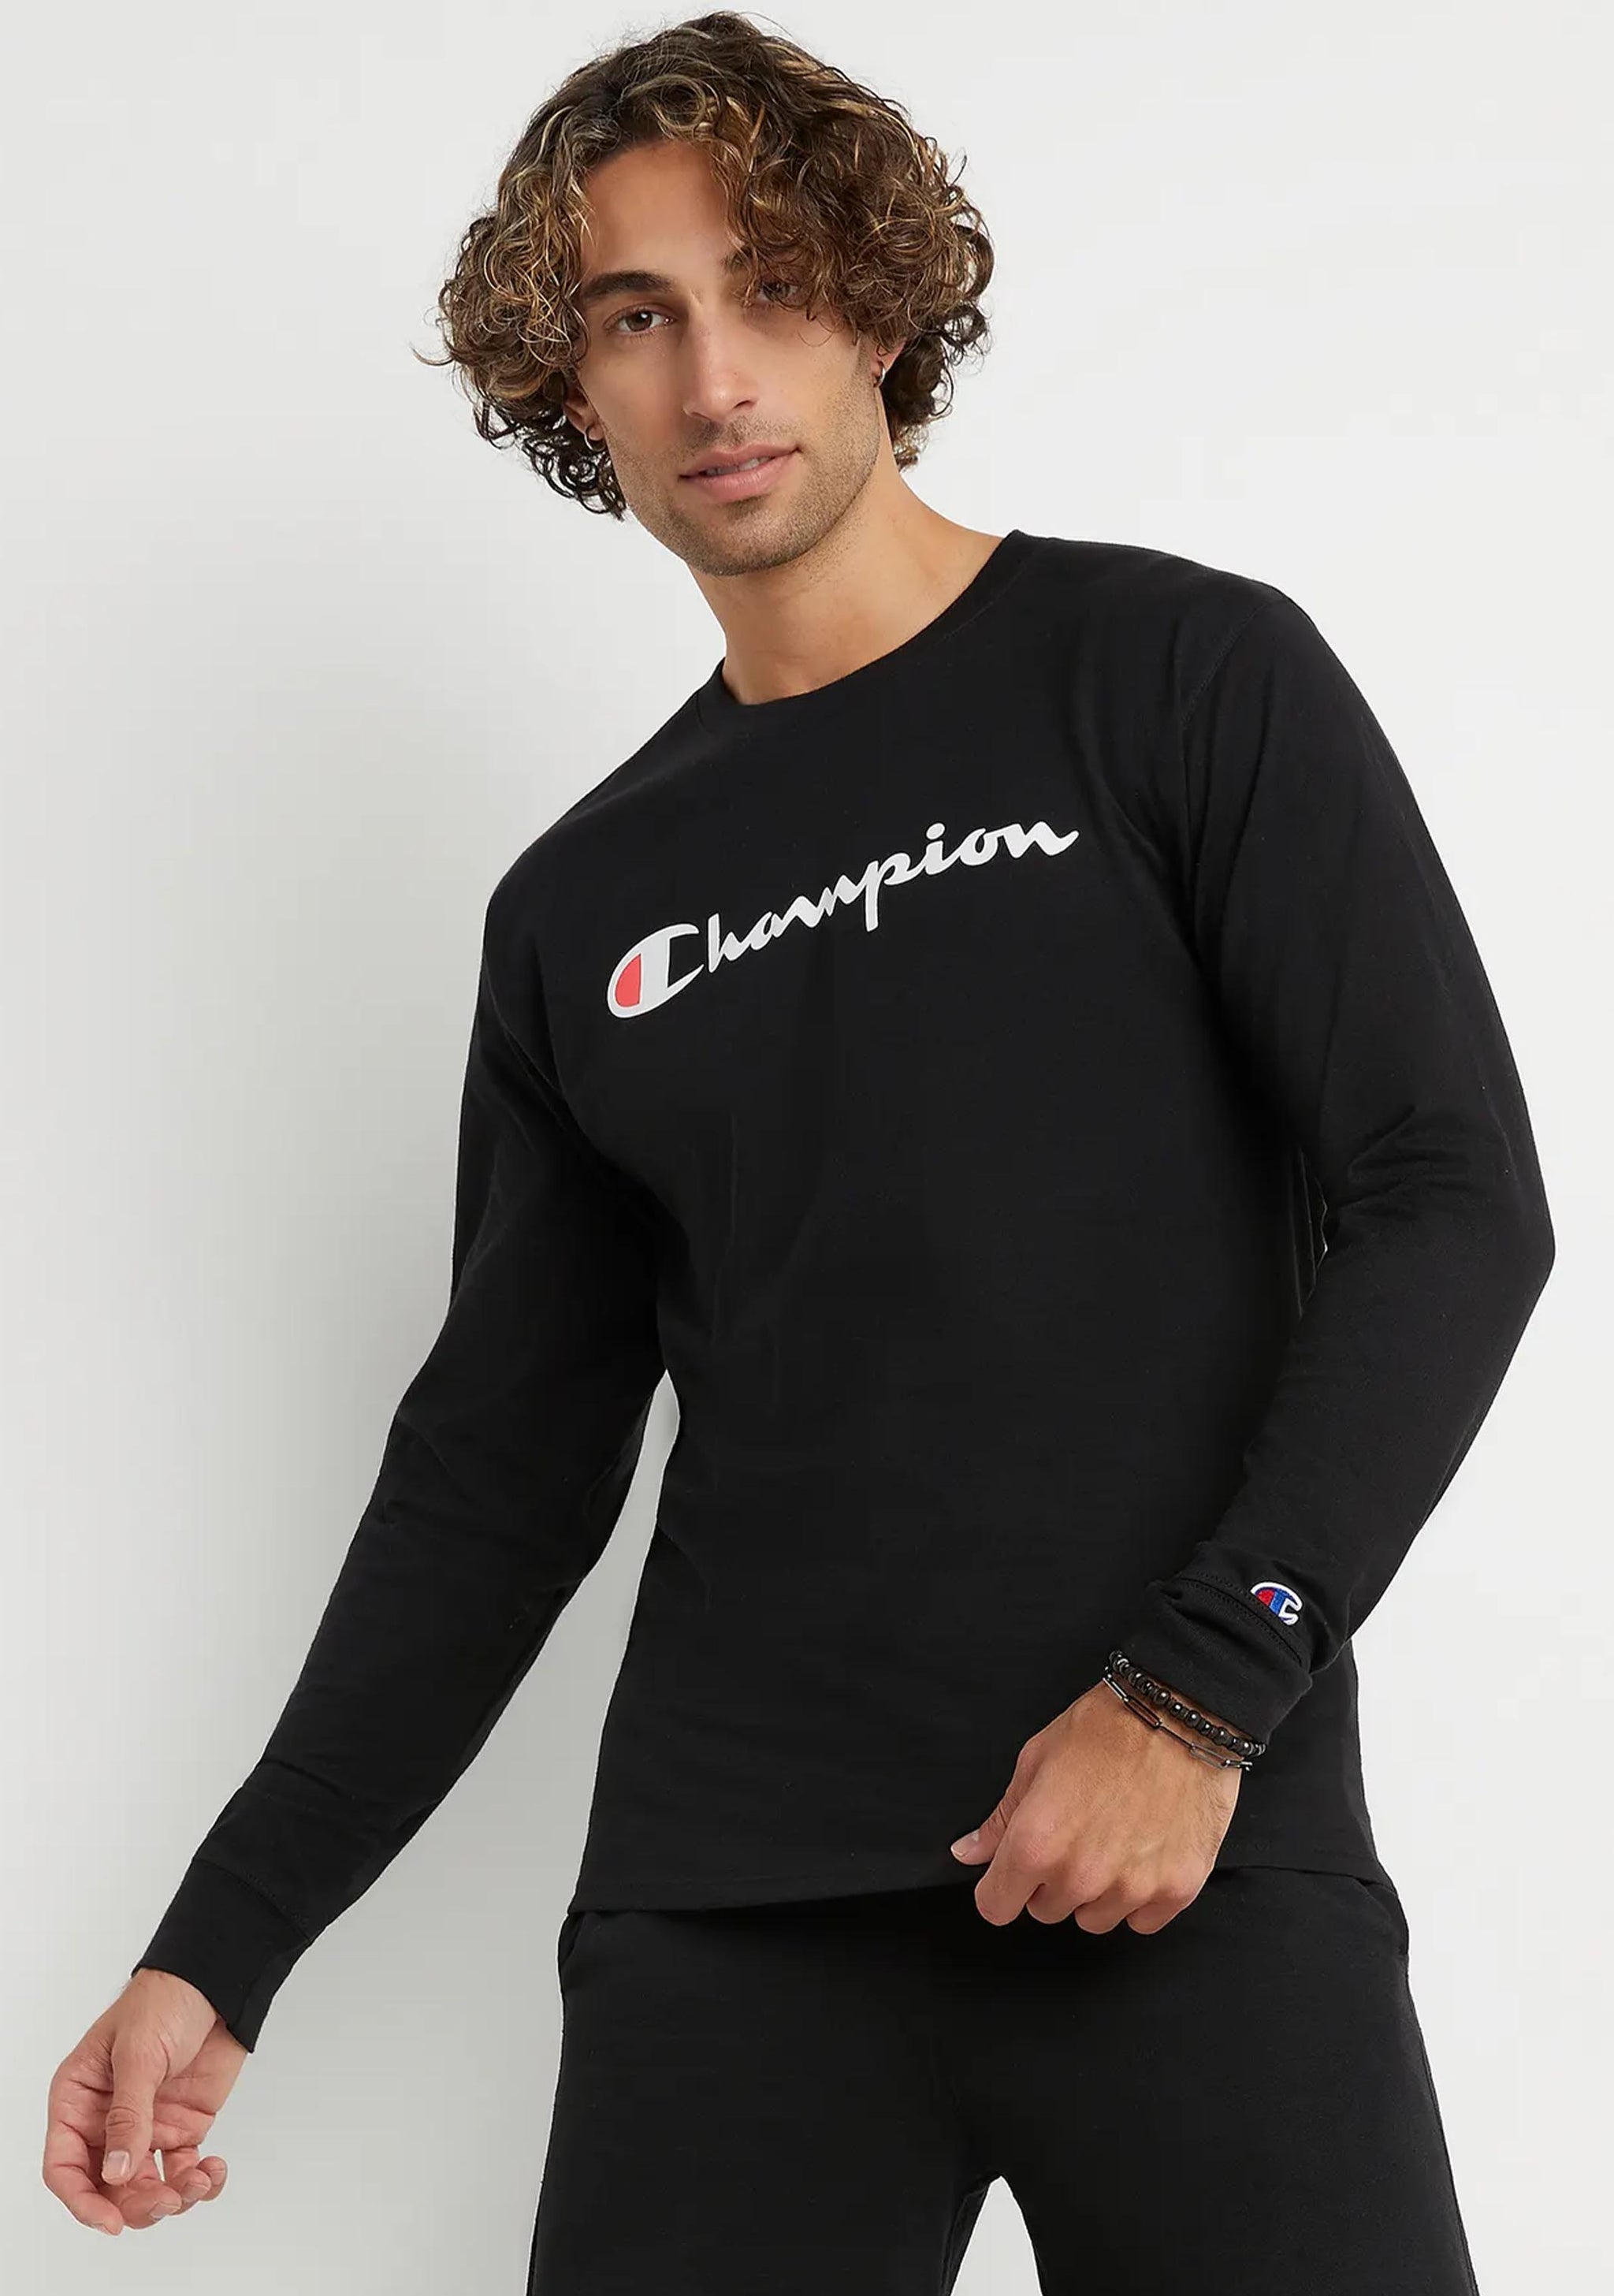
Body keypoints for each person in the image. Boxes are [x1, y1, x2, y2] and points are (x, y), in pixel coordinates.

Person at [45, 13, 1553, 2288]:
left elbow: (1448, 1191)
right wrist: (222, 1941)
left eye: (769, 287)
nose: (714, 377)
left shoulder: (1179, 678)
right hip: (735, 1918)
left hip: (1187, 1855)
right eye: (634, 317)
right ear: (569, 383)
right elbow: (496, 1473)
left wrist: (1200, 1689)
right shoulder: (584, 908)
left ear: (878, 304)